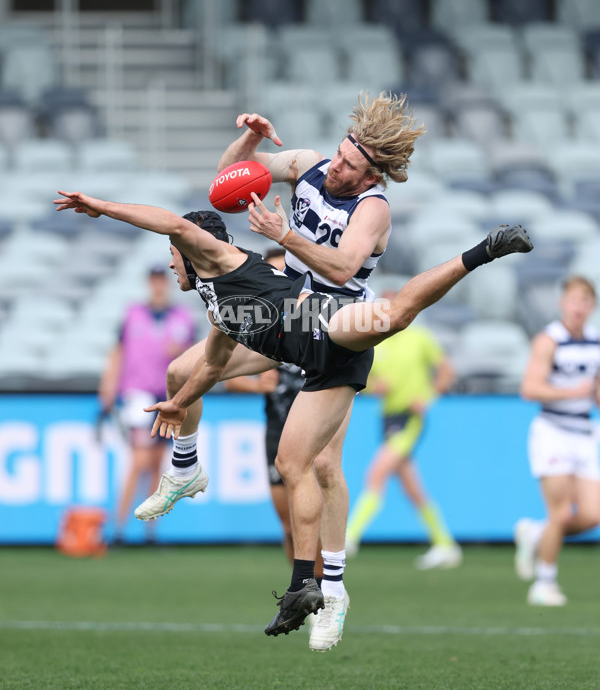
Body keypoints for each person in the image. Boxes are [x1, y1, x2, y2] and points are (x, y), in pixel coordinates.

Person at [54, 186, 533, 642]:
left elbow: (170, 223)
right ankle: (213, 494)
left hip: (321, 328)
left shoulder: (218, 258)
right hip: (303, 354)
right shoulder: (216, 303)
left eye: (174, 255)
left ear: (191, 250)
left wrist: (101, 205)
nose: (171, 264)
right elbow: (215, 365)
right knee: (227, 411)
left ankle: (484, 250)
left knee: (396, 313)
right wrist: (179, 406)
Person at [133, 91, 426, 651]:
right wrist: (249, 138)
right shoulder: (309, 165)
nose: (337, 165)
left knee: (322, 465)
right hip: (283, 314)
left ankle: (333, 593)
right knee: (181, 373)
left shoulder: (373, 209)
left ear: (373, 175)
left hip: (334, 328)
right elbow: (228, 180)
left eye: (351, 165)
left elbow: (342, 267)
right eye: (340, 155)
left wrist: (283, 236)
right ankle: (186, 468)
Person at [225, 247, 325, 589]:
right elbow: (222, 372)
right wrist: (255, 385)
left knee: (313, 524)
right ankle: (303, 591)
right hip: (276, 428)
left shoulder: (312, 312)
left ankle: (328, 591)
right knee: (289, 525)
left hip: (313, 425)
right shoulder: (257, 320)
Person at [345, 310, 461, 569]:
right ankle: (445, 544)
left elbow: (446, 371)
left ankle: (349, 537)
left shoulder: (419, 338)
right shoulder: (375, 343)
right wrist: (375, 388)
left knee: (376, 475)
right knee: (412, 488)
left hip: (410, 417)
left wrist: (428, 397)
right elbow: (366, 382)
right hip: (388, 418)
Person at [515, 275, 600, 607]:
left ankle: (535, 535)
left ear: (591, 306)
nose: (578, 307)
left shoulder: (595, 340)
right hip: (552, 431)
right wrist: (571, 392)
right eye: (573, 300)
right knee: (561, 513)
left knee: (593, 515)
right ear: (563, 303)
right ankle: (544, 583)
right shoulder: (549, 340)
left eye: (585, 301)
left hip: (584, 432)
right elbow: (529, 389)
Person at [97, 264, 197, 542]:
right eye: (153, 280)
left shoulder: (183, 318)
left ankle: (149, 529)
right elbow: (118, 352)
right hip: (137, 394)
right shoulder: (133, 314)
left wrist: (182, 352)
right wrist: (108, 386)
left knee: (155, 464)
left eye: (160, 280)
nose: (157, 285)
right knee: (139, 459)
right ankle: (118, 526)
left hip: (168, 395)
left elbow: (197, 356)